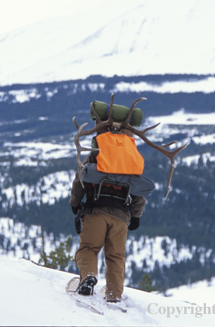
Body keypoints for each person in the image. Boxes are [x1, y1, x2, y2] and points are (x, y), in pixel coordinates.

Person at [69, 128, 146, 303]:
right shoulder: (131, 161)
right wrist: (136, 216)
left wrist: (75, 203)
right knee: (116, 256)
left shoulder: (96, 155)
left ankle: (88, 277)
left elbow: (80, 180)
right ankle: (114, 294)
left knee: (89, 248)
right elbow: (139, 193)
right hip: (121, 218)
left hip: (96, 212)